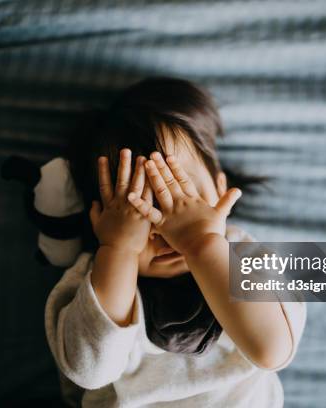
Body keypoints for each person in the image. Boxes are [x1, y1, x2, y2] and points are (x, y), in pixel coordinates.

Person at [45, 77, 306, 407]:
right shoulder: (93, 281)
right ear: (100, 220)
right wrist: (119, 251)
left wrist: (203, 245)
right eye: (137, 208)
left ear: (220, 188)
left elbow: (272, 351)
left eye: (184, 199)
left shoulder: (247, 259)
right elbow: (90, 371)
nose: (164, 227)